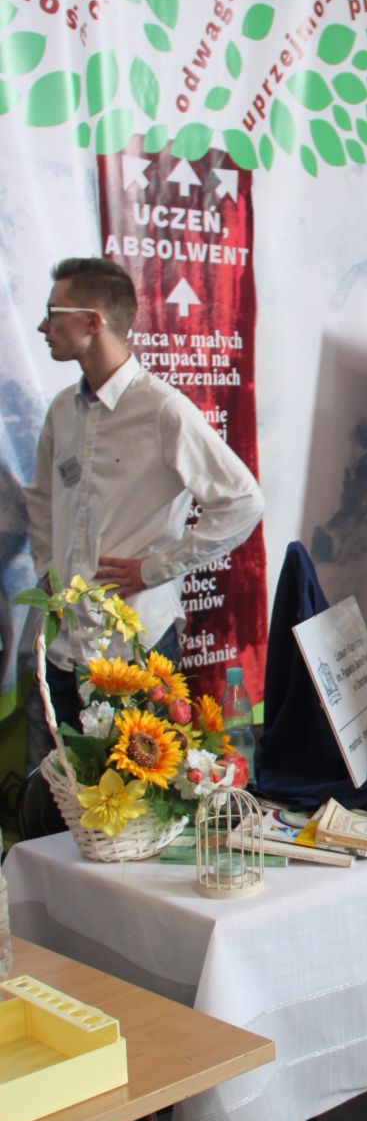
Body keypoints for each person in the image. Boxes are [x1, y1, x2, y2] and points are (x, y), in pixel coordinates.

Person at [25, 257, 264, 764]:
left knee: (138, 801)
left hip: (134, 650)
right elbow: (43, 499)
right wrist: (48, 568)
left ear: (93, 320)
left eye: (53, 314)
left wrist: (155, 569)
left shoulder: (160, 408)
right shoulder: (62, 410)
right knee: (50, 793)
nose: (43, 327)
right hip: (63, 645)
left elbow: (243, 501)